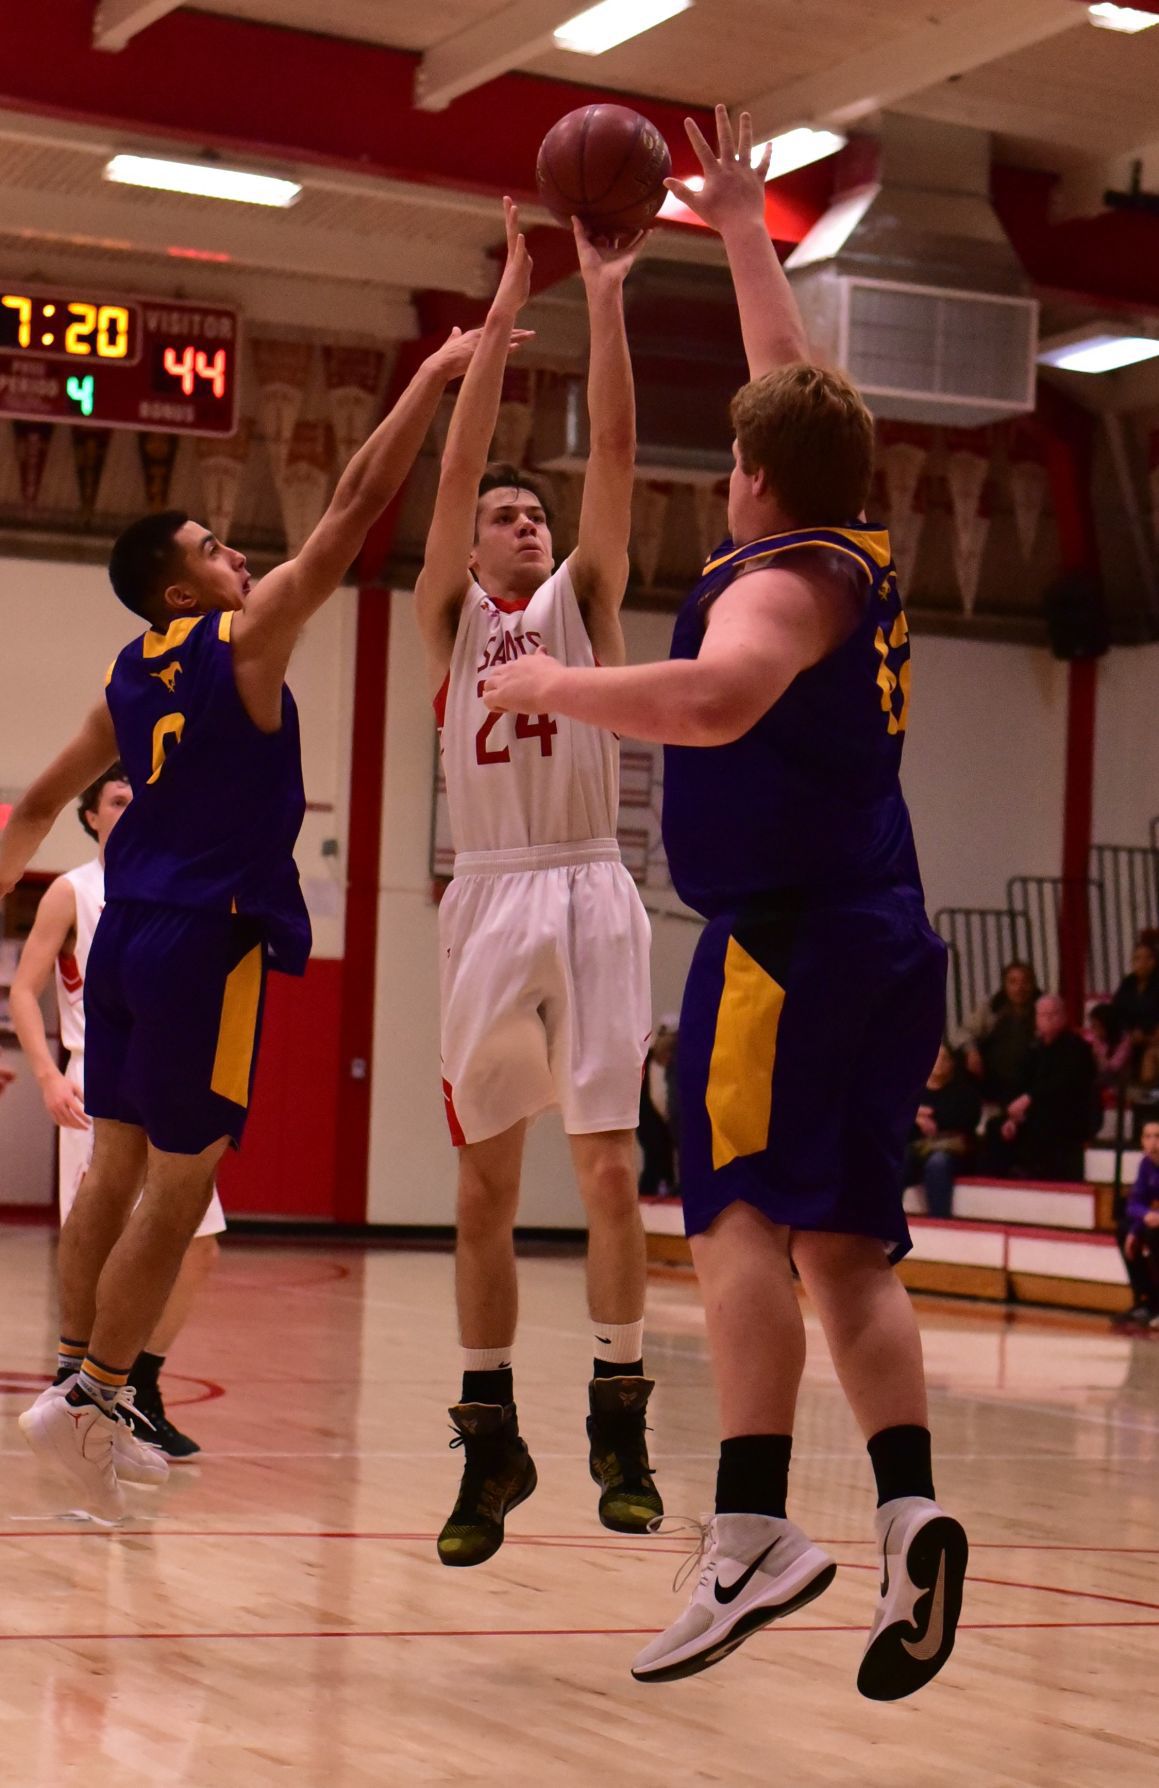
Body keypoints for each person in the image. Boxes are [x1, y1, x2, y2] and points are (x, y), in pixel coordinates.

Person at [484, 106, 965, 1700]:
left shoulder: (774, 584)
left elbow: (710, 702)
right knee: (849, 1252)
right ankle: (904, 1516)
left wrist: (557, 675)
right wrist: (743, 222)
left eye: (737, 454)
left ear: (753, 474)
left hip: (782, 946)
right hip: (881, 930)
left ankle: (751, 1528)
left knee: (737, 1222)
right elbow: (784, 371)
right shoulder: (859, 536)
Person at [0, 322, 503, 1524]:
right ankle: (100, 1400)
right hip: (205, 938)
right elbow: (354, 502)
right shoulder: (245, 640)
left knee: (113, 1169)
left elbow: (25, 809)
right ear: (188, 588)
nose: (237, 556)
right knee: (183, 1181)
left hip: (123, 943)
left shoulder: (127, 675)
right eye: (215, 547)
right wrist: (429, 378)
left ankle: (76, 1379)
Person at [415, 199, 660, 1568]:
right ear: (468, 548)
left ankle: (617, 1416)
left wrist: (603, 292)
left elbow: (615, 452)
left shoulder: (583, 598)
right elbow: (448, 474)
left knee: (612, 1172)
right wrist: (507, 309)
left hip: (587, 887)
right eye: (501, 514)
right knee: (481, 1191)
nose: (517, 522)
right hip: (487, 897)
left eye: (530, 512)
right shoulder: (446, 621)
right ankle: (487, 1437)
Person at [9, 765, 223, 1458]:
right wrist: (47, 1073)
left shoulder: (176, 885)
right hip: (94, 1076)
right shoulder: (73, 890)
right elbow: (24, 988)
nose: (131, 810)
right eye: (117, 801)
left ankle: (138, 1385)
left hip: (167, 1074)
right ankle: (78, 1386)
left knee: (196, 1244)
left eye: (140, 800)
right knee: (98, 1238)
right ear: (91, 815)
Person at [981, 994, 1099, 1182]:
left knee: (1045, 1122)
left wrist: (1029, 1099)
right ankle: (997, 1184)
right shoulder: (1033, 1048)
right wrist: (1012, 1117)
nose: (1048, 1019)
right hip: (1032, 1112)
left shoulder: (1078, 1048)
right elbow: (1017, 1082)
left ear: (1064, 1016)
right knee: (996, 1126)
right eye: (1043, 1014)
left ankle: (1032, 1175)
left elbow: (1064, 1085)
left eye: (1054, 1014)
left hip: (1068, 1113)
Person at [904, 1044, 981, 1219]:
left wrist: (931, 1120)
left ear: (952, 1063)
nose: (938, 1062)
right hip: (917, 1149)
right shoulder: (913, 1091)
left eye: (944, 1058)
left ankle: (940, 1222)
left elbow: (967, 1124)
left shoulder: (964, 1091)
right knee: (894, 1160)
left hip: (952, 1151)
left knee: (937, 1163)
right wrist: (916, 1118)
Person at [965, 960, 1039, 1105]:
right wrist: (971, 1050)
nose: (1020, 988)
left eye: (1025, 982)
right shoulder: (992, 1008)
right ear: (1005, 985)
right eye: (1013, 982)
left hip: (1034, 1080)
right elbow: (964, 1032)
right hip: (994, 1078)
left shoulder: (1043, 1006)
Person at [1118, 1118, 1159, 1327]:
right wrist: (1136, 1228)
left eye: (1158, 1136)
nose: (1153, 1142)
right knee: (1124, 1230)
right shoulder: (1145, 1165)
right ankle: (1145, 1299)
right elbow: (1134, 1204)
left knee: (1154, 1235)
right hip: (1154, 1220)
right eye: (1148, 1136)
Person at [1110, 940, 1159, 1088]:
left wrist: (1147, 1032)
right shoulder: (1128, 983)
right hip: (1130, 1037)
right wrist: (1129, 1032)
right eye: (1137, 958)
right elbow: (1116, 1011)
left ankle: (1147, 1102)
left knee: (1150, 1056)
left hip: (1153, 1037)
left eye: (1148, 958)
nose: (1142, 963)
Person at [638, 1019, 679, 1198]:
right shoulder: (645, 1063)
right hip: (650, 1121)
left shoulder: (679, 1064)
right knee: (655, 1156)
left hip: (674, 1120)